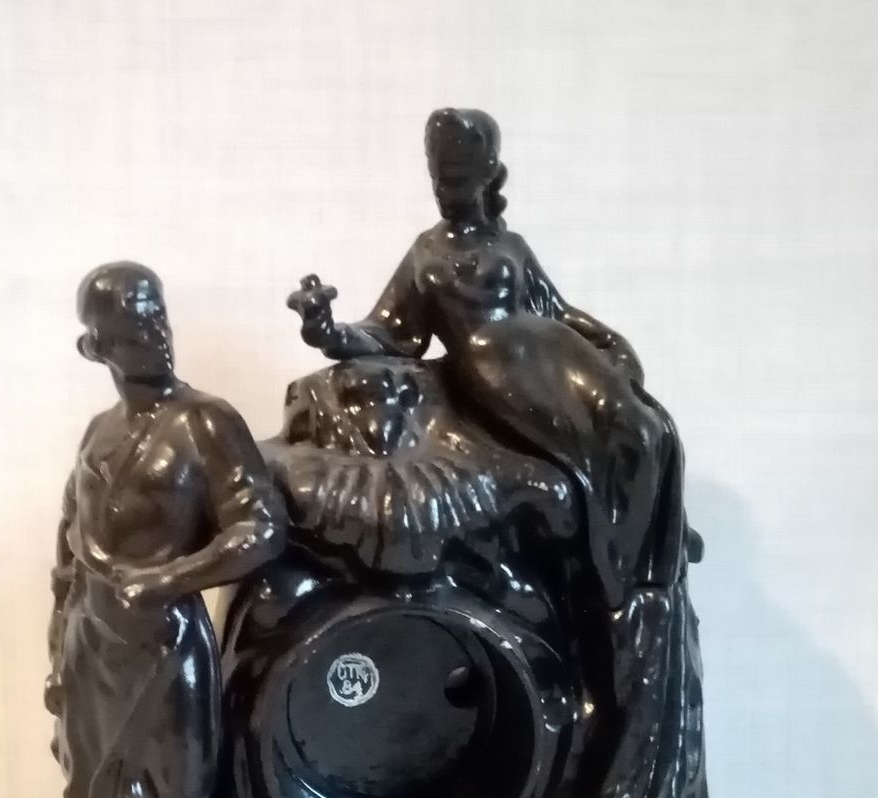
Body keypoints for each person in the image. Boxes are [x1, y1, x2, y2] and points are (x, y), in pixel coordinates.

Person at [288, 108, 684, 607]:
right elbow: (389, 331)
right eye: (438, 179)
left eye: (456, 179)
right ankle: (612, 583)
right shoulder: (426, 253)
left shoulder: (511, 245)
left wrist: (611, 341)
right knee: (606, 446)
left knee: (648, 429)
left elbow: (557, 310)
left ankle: (647, 565)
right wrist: (327, 330)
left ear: (487, 174)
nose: (444, 191)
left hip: (557, 351)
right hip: (495, 368)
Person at [45, 261, 285, 798]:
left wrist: (174, 577)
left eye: (156, 316)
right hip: (92, 633)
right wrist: (58, 637)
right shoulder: (98, 432)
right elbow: (69, 540)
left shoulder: (205, 422)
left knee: (182, 782)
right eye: (131, 325)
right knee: (86, 751)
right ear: (95, 347)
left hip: (166, 638)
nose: (154, 334)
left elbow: (261, 527)